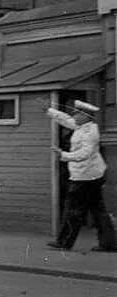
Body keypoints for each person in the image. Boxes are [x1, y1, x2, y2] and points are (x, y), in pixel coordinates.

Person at [47, 100, 116, 252]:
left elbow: (85, 154)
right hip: (92, 175)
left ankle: (64, 242)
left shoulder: (89, 133)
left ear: (85, 116)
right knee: (98, 211)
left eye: (77, 113)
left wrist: (63, 154)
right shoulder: (83, 126)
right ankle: (109, 243)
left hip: (84, 177)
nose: (74, 115)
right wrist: (50, 111)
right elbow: (66, 119)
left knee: (73, 209)